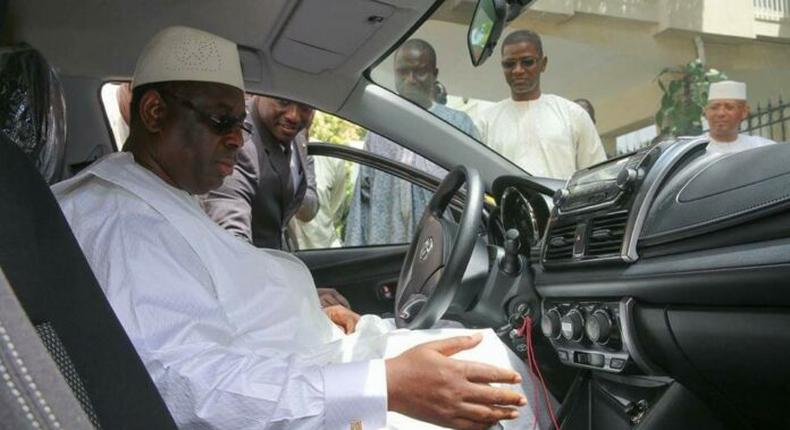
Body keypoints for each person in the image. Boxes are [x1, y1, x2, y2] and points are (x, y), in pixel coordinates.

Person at [54, 26, 554, 430]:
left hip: (316, 365)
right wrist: (387, 387)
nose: (236, 138)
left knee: (488, 352)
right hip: (308, 399)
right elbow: (191, 387)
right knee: (499, 381)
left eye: (240, 124)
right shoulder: (120, 218)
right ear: (154, 112)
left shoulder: (161, 194)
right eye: (221, 121)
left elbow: (220, 296)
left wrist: (296, 303)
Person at [345, 39, 479, 246]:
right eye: (403, 72)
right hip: (386, 254)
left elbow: (474, 196)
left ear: (435, 74)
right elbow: (362, 201)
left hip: (441, 253)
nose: (411, 79)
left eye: (419, 72)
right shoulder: (380, 130)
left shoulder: (458, 126)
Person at [474, 30, 606, 179]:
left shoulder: (573, 115)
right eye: (509, 64)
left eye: (527, 62)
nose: (517, 70)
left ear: (543, 64)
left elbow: (596, 177)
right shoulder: (485, 122)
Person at [200, 95, 318, 250]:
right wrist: (239, 255)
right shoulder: (241, 138)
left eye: (305, 107)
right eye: (283, 101)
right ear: (261, 93)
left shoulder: (297, 137)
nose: (293, 116)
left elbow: (308, 206)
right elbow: (228, 210)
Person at [704, 80, 776, 155]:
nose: (721, 113)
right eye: (714, 107)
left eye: (729, 107)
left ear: (744, 112)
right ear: (706, 112)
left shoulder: (762, 147)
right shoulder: (694, 149)